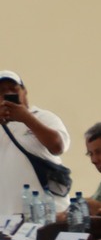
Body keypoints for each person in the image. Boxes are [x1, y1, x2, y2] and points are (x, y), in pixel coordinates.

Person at [0, 70, 67, 218]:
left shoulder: (43, 117)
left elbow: (57, 147)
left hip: (49, 214)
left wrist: (26, 118)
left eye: (13, 89)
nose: (8, 93)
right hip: (6, 219)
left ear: (24, 92)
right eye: (2, 91)